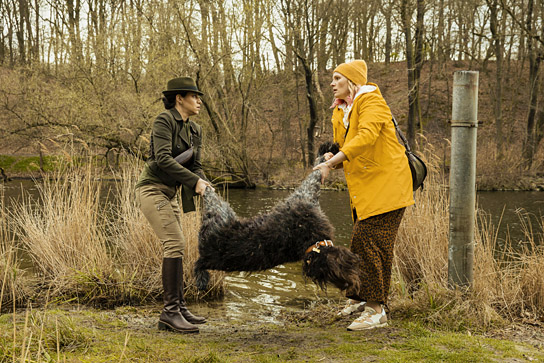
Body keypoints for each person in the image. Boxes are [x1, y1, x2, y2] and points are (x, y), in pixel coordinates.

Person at [313, 60, 414, 330]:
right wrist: (331, 155)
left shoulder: (372, 102)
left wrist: (332, 163)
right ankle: (359, 296)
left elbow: (367, 137)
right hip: (364, 190)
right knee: (361, 242)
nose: (332, 83)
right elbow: (345, 145)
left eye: (337, 78)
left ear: (352, 81)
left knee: (371, 244)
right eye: (331, 79)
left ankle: (376, 309)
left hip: (388, 185)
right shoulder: (340, 110)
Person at [135, 76, 213, 334]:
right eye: (194, 96)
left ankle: (178, 307)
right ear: (180, 98)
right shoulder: (164, 120)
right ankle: (169, 313)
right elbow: (163, 159)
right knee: (175, 243)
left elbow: (196, 166)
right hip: (151, 190)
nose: (199, 101)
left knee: (178, 246)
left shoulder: (195, 130)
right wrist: (194, 182)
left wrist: (204, 183)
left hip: (170, 194)